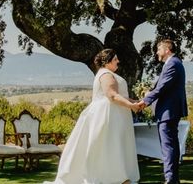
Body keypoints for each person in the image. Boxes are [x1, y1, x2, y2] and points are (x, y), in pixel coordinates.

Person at [45, 48, 142, 184]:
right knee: (110, 145)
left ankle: (119, 177)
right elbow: (112, 95)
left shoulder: (106, 73)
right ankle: (117, 178)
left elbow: (120, 96)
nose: (118, 61)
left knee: (113, 145)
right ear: (107, 61)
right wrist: (131, 106)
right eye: (115, 59)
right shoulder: (106, 75)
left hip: (115, 115)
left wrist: (136, 102)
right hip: (107, 116)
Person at [134, 39, 188, 184]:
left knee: (167, 147)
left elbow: (162, 88)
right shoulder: (174, 63)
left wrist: (144, 101)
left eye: (158, 49)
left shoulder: (173, 64)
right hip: (169, 111)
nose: (157, 52)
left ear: (167, 50)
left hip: (168, 112)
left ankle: (170, 179)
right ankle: (173, 179)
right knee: (171, 146)